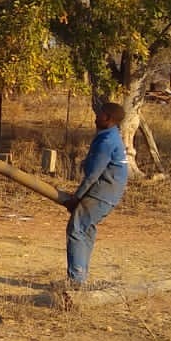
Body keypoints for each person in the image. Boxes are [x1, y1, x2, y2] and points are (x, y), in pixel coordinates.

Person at [64, 102, 129, 287]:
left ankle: (76, 281)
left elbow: (93, 175)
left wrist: (77, 197)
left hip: (101, 192)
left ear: (107, 118)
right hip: (109, 193)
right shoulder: (111, 136)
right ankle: (80, 277)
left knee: (76, 230)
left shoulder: (107, 141)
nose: (96, 116)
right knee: (86, 230)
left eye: (99, 114)